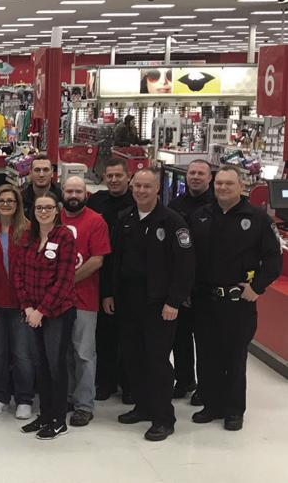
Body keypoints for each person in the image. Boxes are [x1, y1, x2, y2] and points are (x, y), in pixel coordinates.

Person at [103, 168, 195, 442]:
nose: (141, 191)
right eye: (138, 186)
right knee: (133, 357)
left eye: (147, 186)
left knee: (156, 361)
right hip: (128, 301)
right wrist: (108, 294)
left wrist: (174, 301)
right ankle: (142, 407)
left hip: (159, 303)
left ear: (158, 189)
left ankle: (163, 418)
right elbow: (114, 261)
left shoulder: (173, 221)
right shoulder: (125, 218)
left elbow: (185, 266)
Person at [189, 165, 282, 432]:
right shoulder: (201, 216)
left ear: (241, 187)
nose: (223, 188)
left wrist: (257, 287)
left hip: (239, 303)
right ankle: (211, 405)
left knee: (234, 357)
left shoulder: (257, 219)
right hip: (206, 300)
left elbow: (273, 260)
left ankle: (233, 411)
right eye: (219, 184)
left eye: (229, 184)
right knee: (206, 356)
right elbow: (190, 257)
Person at [14, 193, 77, 441]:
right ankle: (45, 414)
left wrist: (42, 310)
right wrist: (28, 307)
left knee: (56, 366)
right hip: (32, 313)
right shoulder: (27, 237)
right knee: (40, 366)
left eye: (48, 207)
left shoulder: (64, 236)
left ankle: (59, 419)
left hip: (57, 313)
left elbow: (64, 281)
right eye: (39, 207)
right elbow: (18, 275)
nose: (43, 211)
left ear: (57, 209)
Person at [0, 184, 36, 421]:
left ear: (17, 204)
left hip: (22, 306)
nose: (6, 205)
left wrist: (30, 304)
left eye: (10, 201)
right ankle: (0, 396)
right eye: (1, 201)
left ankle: (24, 399)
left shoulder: (29, 230)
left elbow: (35, 269)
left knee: (22, 354)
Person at [60, 176, 111, 428]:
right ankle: (68, 396)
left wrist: (66, 282)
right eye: (69, 190)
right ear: (62, 192)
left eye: (78, 191)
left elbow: (97, 260)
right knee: (64, 352)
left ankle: (84, 405)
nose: (73, 195)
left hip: (84, 300)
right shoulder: (53, 217)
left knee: (83, 353)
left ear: (86, 194)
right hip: (56, 302)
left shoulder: (96, 221)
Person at [88, 157, 135, 402]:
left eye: (119, 175)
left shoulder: (138, 202)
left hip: (131, 281)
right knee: (104, 337)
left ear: (128, 176)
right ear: (104, 178)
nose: (114, 180)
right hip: (101, 277)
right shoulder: (96, 202)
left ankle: (129, 385)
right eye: (110, 176)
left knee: (129, 338)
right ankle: (104, 383)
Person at [167, 159, 214, 403]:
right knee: (180, 337)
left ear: (210, 178)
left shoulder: (218, 205)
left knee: (206, 340)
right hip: (182, 284)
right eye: (192, 173)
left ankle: (206, 387)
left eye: (200, 173)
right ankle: (184, 379)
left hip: (208, 284)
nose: (195, 177)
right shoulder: (175, 206)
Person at [21, 154, 63, 220]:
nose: (41, 175)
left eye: (46, 170)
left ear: (52, 173)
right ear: (30, 173)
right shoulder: (21, 198)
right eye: (37, 170)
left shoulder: (61, 198)